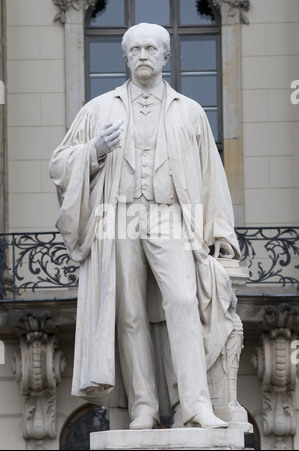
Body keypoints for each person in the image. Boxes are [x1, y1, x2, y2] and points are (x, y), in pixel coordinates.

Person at [49, 23, 241, 430]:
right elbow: (59, 164)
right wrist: (95, 150)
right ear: (125, 55)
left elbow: (212, 175)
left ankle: (194, 404)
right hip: (117, 216)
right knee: (130, 312)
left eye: (150, 48)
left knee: (184, 302)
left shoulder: (189, 111)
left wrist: (221, 230)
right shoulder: (99, 109)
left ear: (166, 56)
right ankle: (143, 406)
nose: (142, 55)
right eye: (134, 49)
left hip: (169, 215)